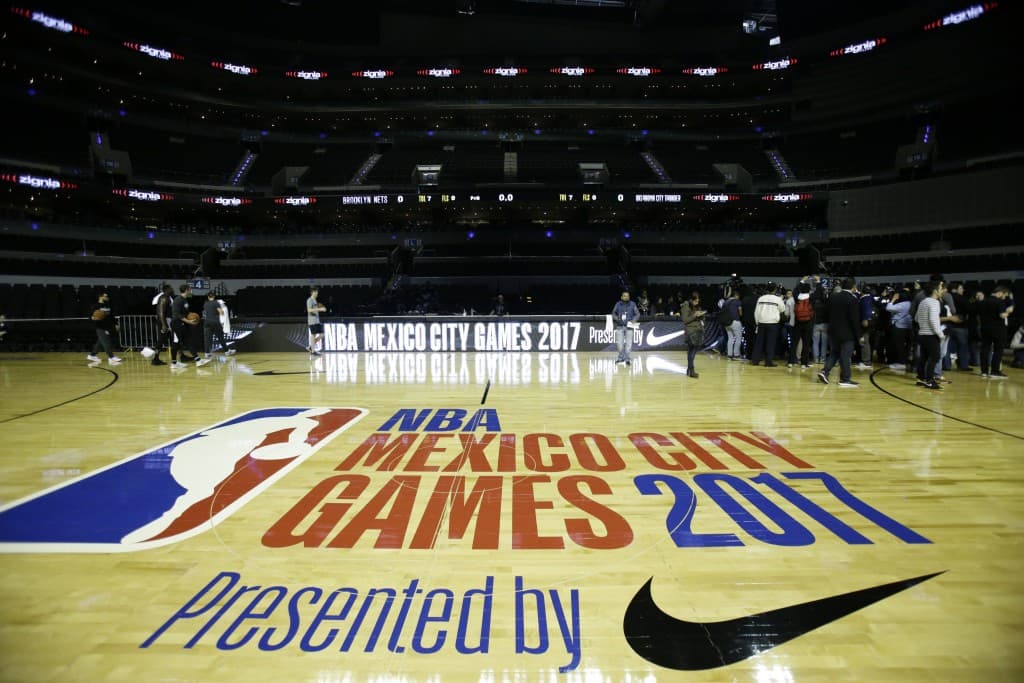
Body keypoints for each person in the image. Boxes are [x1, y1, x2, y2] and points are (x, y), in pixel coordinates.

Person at [818, 277, 860, 387]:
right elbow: (854, 319)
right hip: (847, 332)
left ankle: (824, 372)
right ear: (853, 286)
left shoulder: (833, 297)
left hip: (833, 330)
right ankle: (845, 379)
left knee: (834, 353)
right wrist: (858, 335)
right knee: (845, 356)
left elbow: (825, 314)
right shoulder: (852, 299)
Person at [914, 280, 947, 390]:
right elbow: (933, 320)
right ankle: (929, 380)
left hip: (922, 334)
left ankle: (921, 378)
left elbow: (916, 318)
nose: (942, 291)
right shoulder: (934, 302)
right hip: (930, 335)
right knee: (935, 357)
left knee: (924, 357)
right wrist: (940, 334)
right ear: (935, 291)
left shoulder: (923, 302)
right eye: (941, 288)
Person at [977, 285, 1014, 379]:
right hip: (998, 329)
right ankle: (995, 371)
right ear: (1000, 293)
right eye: (1005, 295)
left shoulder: (983, 301)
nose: (1005, 297)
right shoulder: (999, 302)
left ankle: (984, 371)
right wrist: (1009, 311)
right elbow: (1002, 315)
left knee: (985, 349)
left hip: (985, 328)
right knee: (998, 350)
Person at [750, 286, 785, 367]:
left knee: (759, 343)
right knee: (770, 343)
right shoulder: (777, 299)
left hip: (761, 322)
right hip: (772, 323)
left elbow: (757, 311)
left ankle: (755, 361)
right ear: (775, 290)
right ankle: (768, 362)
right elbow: (782, 309)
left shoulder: (761, 298)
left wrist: (757, 322)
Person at [86, 291, 122, 365]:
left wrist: (116, 324)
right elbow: (90, 317)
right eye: (105, 296)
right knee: (106, 342)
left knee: (100, 342)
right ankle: (111, 357)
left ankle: (92, 355)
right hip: (100, 327)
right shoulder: (95, 306)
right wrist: (93, 318)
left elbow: (111, 316)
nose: (107, 297)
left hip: (108, 326)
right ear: (101, 297)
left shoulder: (107, 305)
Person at [199, 292, 233, 366]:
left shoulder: (205, 304)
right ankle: (227, 351)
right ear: (214, 296)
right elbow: (221, 312)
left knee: (207, 338)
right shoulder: (216, 303)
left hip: (207, 322)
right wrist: (223, 312)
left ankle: (207, 353)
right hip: (215, 322)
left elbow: (205, 312)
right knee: (220, 337)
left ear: (208, 297)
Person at [170, 284, 199, 369]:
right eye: (190, 289)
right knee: (176, 342)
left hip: (182, 324)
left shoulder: (184, 300)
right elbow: (177, 314)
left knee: (187, 340)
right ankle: (174, 363)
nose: (191, 291)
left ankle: (198, 360)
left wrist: (191, 316)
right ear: (186, 290)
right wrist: (189, 321)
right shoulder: (178, 300)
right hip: (176, 324)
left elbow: (184, 313)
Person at [679, 291, 705, 378]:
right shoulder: (685, 306)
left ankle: (689, 370)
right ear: (692, 299)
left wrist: (701, 315)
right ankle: (691, 370)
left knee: (691, 351)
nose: (698, 301)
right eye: (696, 300)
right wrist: (695, 315)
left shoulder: (693, 306)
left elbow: (695, 317)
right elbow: (685, 320)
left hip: (696, 329)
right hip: (691, 331)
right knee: (692, 351)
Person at [612, 290, 639, 366]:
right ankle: (620, 358)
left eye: (627, 296)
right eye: (624, 296)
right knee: (620, 345)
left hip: (629, 327)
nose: (626, 297)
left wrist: (634, 320)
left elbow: (637, 314)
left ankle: (627, 359)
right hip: (620, 326)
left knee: (628, 344)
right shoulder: (618, 304)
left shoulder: (632, 304)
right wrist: (617, 319)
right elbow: (613, 313)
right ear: (621, 297)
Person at [791, 282, 814, 369]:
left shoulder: (797, 298)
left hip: (798, 323)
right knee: (806, 344)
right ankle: (804, 363)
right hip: (808, 323)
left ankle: (791, 361)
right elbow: (818, 292)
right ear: (809, 290)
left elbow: (794, 292)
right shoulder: (811, 298)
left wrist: (801, 282)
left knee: (794, 343)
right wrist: (818, 282)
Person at [150, 284, 173, 367]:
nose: (172, 289)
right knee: (160, 341)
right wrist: (164, 324)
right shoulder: (164, 298)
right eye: (171, 288)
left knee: (174, 339)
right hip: (164, 322)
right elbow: (161, 312)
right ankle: (155, 359)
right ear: (167, 290)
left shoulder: (168, 297)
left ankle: (182, 356)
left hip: (167, 321)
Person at [306, 285, 326, 355]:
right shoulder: (309, 300)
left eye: (317, 291)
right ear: (312, 292)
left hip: (317, 321)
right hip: (312, 321)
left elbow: (315, 310)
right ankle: (313, 351)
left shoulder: (315, 300)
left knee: (322, 335)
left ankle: (310, 347)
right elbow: (309, 310)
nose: (317, 293)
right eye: (315, 291)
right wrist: (319, 309)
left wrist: (321, 309)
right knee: (313, 334)